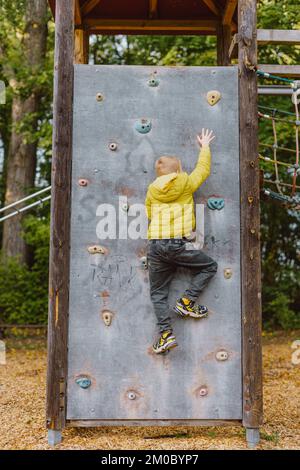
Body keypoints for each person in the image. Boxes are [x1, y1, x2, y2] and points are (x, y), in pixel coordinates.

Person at [145, 129, 218, 354]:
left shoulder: (152, 190)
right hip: (178, 243)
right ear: (178, 170)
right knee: (209, 266)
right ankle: (186, 302)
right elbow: (203, 170)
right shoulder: (185, 182)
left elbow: (148, 213)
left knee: (158, 293)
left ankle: (166, 335)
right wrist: (204, 147)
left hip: (156, 246)